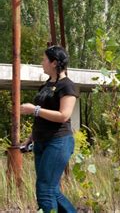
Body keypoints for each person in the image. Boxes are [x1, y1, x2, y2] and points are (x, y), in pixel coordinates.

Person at [20, 45, 78, 213]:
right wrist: (31, 138)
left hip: (58, 141)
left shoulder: (67, 86)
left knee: (45, 190)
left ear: (53, 63)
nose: (41, 63)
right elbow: (42, 118)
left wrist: (34, 109)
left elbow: (64, 115)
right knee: (51, 189)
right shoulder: (46, 85)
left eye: (44, 59)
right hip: (41, 141)